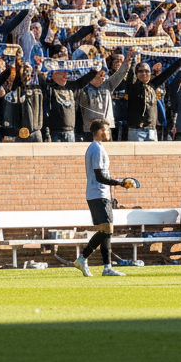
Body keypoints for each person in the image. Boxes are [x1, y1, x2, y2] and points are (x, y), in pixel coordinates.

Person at [74, 118, 133, 276]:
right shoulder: (98, 149)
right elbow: (100, 176)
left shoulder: (95, 147)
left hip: (99, 194)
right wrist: (119, 182)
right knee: (107, 230)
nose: (109, 133)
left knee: (106, 230)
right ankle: (83, 258)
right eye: (106, 130)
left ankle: (106, 267)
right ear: (100, 131)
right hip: (98, 193)